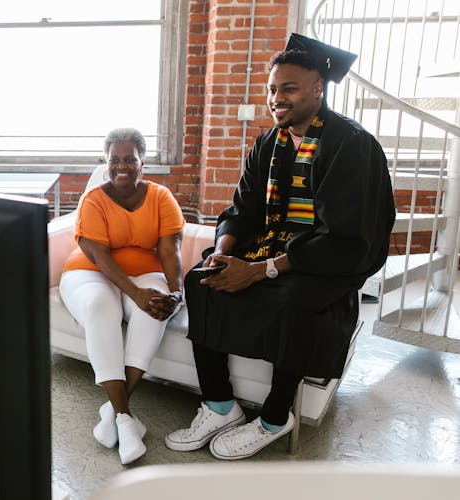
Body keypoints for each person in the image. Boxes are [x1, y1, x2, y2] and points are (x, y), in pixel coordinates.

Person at [165, 34, 395, 460]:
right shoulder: (268, 143)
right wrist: (224, 250)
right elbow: (242, 208)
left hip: (328, 258)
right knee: (201, 280)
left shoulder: (351, 145)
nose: (276, 99)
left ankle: (275, 417)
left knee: (293, 302)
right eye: (272, 89)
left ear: (317, 89)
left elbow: (346, 236)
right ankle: (219, 405)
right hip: (268, 245)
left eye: (288, 88)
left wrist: (259, 270)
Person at [59, 127, 185, 464]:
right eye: (115, 159)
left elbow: (170, 250)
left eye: (130, 159)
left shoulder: (161, 197)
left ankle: (114, 412)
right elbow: (100, 256)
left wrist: (175, 291)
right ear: (106, 161)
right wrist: (135, 293)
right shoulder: (94, 200)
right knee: (101, 305)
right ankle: (127, 420)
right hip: (89, 273)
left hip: (147, 271)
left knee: (154, 308)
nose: (122, 166)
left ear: (143, 160)